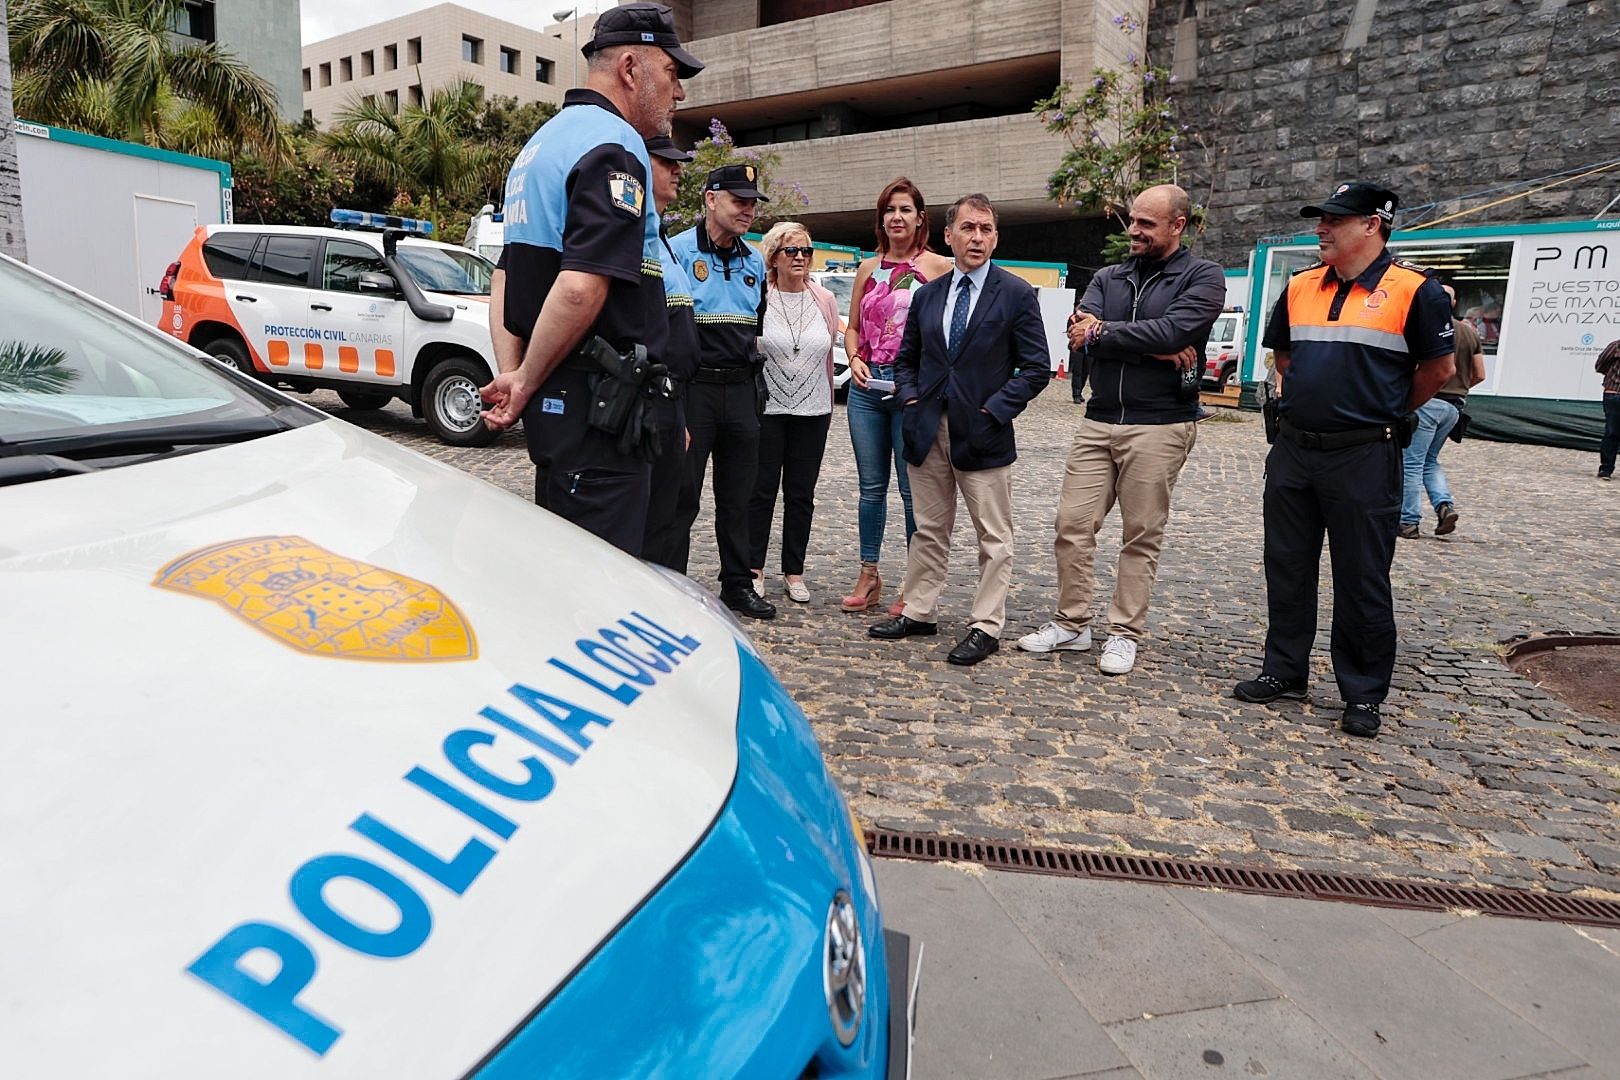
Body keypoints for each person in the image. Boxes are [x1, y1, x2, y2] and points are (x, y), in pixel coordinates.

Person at [1232, 181, 1456, 739]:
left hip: (1364, 453)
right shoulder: (1301, 285)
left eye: (1334, 220)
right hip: (1294, 450)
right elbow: (1284, 355)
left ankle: (1361, 692)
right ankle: (1284, 670)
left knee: (1361, 577)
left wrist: (1377, 409)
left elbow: (1438, 371)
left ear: (1373, 225)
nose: (1321, 230)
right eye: (1320, 220)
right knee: (1286, 565)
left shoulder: (1415, 291)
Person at [478, 3, 701, 557]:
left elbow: (506, 279)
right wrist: (525, 380)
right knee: (602, 580)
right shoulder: (615, 146)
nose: (679, 94)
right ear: (630, 68)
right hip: (602, 413)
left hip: (564, 405)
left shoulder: (538, 145)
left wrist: (520, 373)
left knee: (563, 563)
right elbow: (581, 285)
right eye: (672, 74)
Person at [1016, 184, 1224, 675]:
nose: (1134, 230)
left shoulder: (1205, 277)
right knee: (1071, 525)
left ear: (1177, 226)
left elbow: (1175, 332)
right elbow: (1076, 335)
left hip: (1161, 423)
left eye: (1147, 224)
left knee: (1141, 534)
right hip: (1099, 417)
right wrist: (1144, 344)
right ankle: (1073, 624)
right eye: (1133, 220)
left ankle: (1124, 633)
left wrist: (1106, 332)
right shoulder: (1109, 275)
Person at [868, 194, 1050, 666]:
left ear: (995, 237)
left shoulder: (1016, 293)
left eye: (986, 229)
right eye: (968, 228)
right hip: (926, 429)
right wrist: (909, 398)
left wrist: (995, 411)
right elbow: (907, 359)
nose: (977, 237)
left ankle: (986, 626)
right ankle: (920, 610)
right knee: (928, 529)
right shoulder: (928, 293)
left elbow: (1036, 368)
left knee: (994, 537)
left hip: (984, 432)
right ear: (948, 236)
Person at [841, 178, 954, 615]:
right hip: (867, 389)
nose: (897, 218)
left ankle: (916, 580)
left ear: (920, 217)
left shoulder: (939, 267)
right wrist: (853, 358)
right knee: (871, 488)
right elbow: (852, 326)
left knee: (913, 492)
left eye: (905, 209)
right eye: (889, 210)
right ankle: (869, 574)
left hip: (912, 391)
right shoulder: (868, 269)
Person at [668, 164, 774, 618]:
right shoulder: (675, 251)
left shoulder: (753, 261)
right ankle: (666, 582)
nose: (748, 210)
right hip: (695, 392)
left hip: (740, 391)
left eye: (752, 202)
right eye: (739, 200)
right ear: (711, 199)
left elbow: (755, 326)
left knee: (740, 495)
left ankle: (737, 583)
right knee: (679, 494)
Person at [747, 222, 841, 602]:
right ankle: (753, 566)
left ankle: (794, 570)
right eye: (792, 251)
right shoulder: (760, 297)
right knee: (761, 489)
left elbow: (828, 351)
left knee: (801, 493)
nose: (801, 257)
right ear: (774, 257)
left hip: (814, 410)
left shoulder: (824, 299)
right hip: (768, 408)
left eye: (806, 251)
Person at [642, 134, 699, 567]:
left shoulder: (662, 237)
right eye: (668, 163)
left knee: (670, 511)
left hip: (671, 398)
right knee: (646, 520)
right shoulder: (635, 233)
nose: (678, 170)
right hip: (645, 397)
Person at [1399, 283, 1486, 537]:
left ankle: (1408, 521)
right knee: (1430, 461)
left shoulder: (1424, 329)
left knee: (1412, 463)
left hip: (1426, 403)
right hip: (1453, 407)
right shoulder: (1469, 332)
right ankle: (1444, 505)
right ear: (1454, 303)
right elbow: (1479, 373)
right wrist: (1459, 388)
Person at [1596, 338, 1620, 480]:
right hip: (1614, 393)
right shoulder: (1617, 345)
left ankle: (1606, 469)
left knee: (1612, 432)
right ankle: (1606, 469)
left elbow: (1601, 364)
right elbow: (1601, 364)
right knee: (1612, 432)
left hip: (1613, 393)